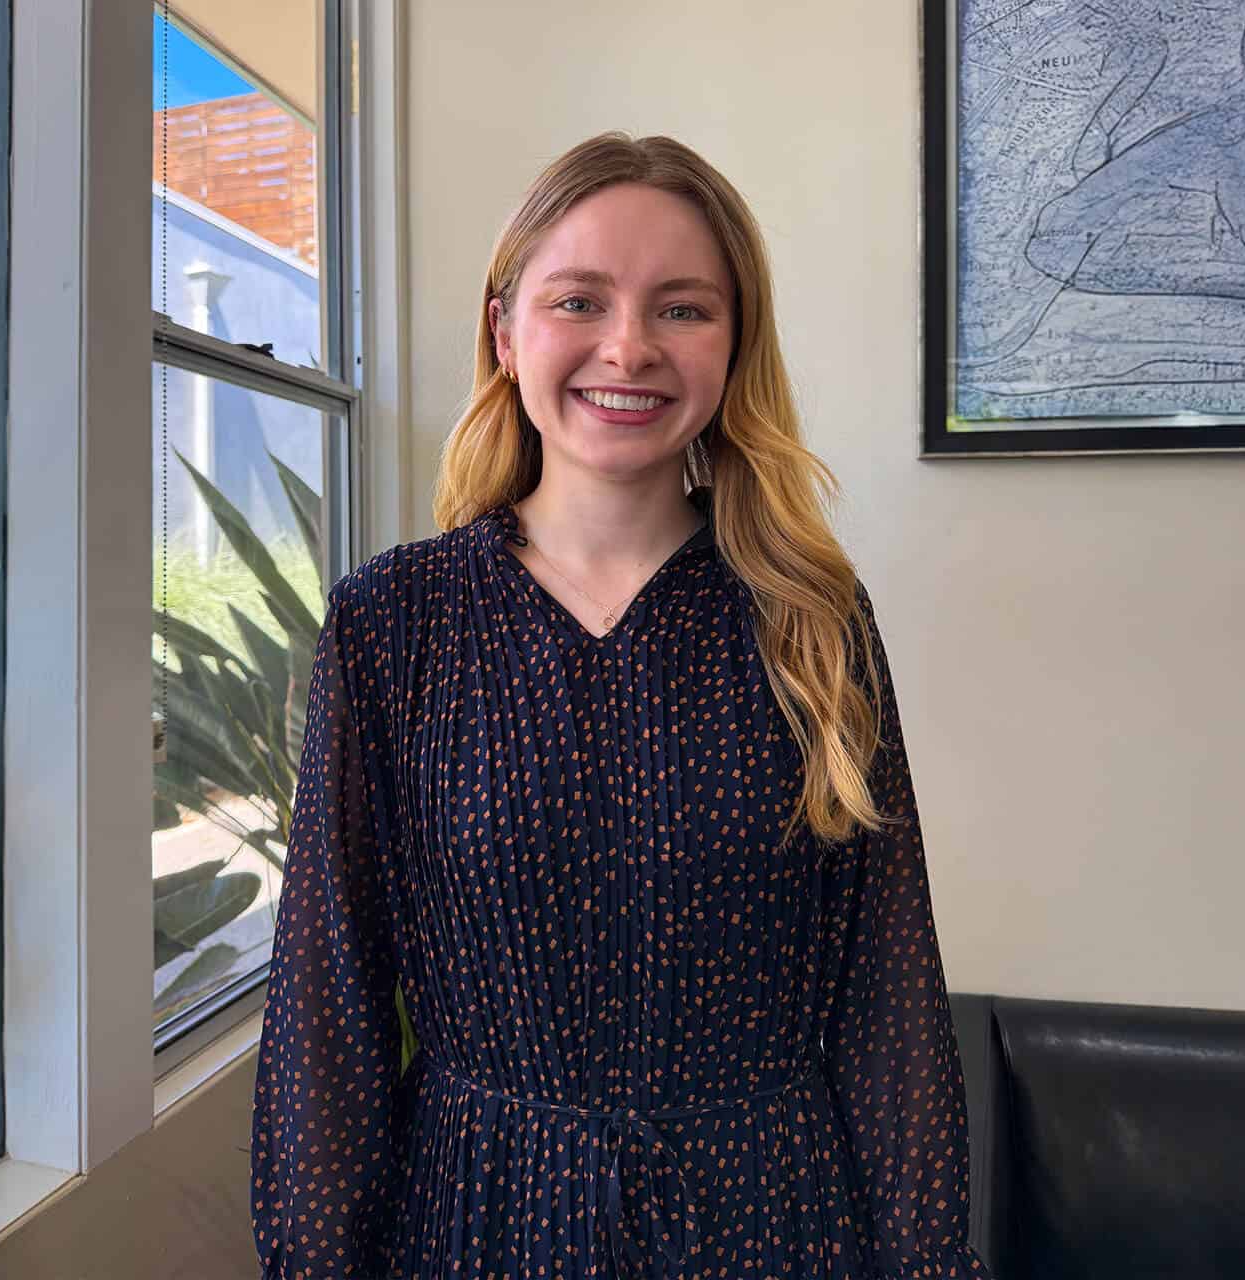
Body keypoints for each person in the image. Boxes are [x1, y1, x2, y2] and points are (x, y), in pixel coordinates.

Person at [250, 131, 988, 1279]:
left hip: (774, 1223)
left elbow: (887, 1001)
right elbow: (324, 1010)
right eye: (579, 299)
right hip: (475, 1225)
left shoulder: (812, 616)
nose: (629, 347)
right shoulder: (395, 625)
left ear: (736, 342)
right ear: (505, 330)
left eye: (683, 308)